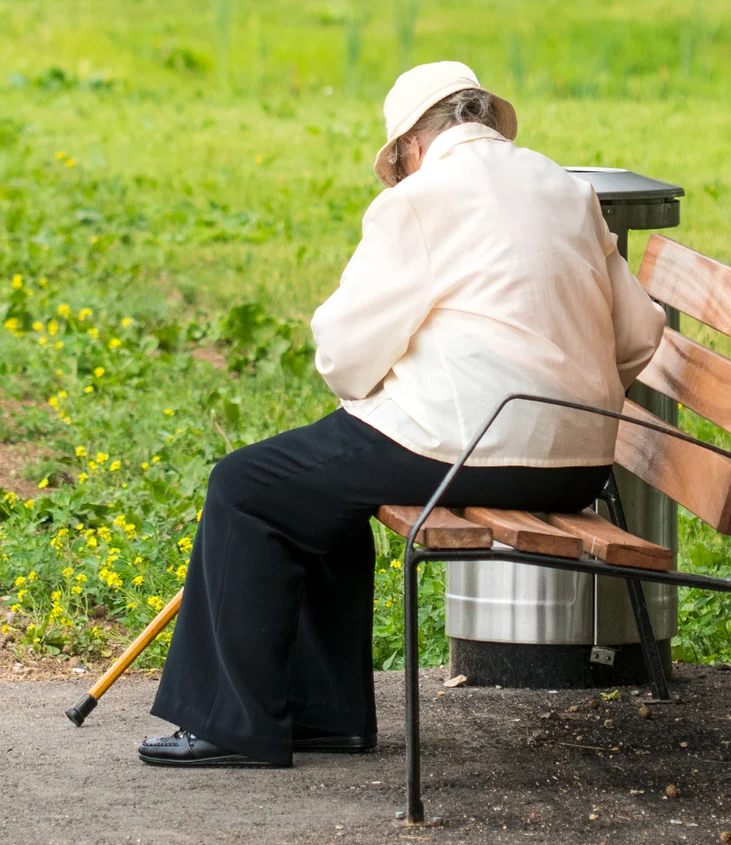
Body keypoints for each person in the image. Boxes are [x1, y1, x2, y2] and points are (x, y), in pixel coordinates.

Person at [139, 61, 666, 768]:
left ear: (409, 149)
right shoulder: (566, 190)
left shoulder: (422, 199)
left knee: (247, 486)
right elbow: (639, 336)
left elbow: (342, 350)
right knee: (318, 497)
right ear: (478, 119)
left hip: (466, 448)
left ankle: (237, 723)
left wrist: (394, 377)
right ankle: (328, 717)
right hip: (576, 466)